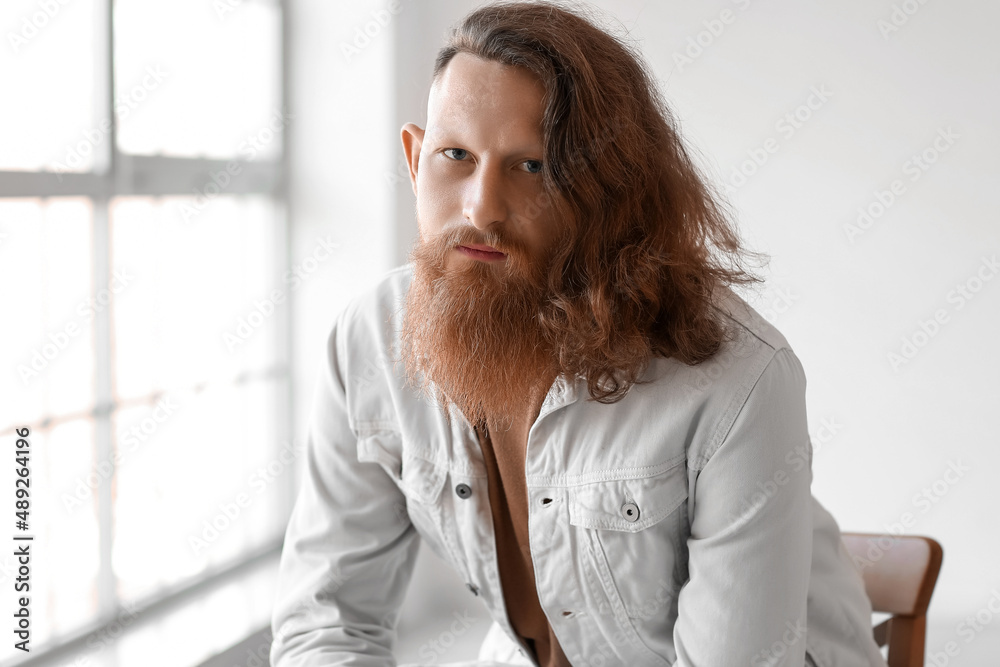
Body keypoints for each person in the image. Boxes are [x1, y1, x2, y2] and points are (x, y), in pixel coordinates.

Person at [269, 2, 889, 665]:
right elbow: (325, 625)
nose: (481, 206)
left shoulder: (739, 376)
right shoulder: (369, 342)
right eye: (455, 155)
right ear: (416, 158)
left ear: (605, 189)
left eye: (531, 166)